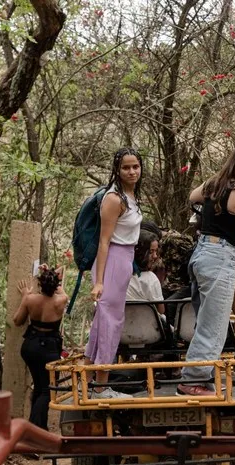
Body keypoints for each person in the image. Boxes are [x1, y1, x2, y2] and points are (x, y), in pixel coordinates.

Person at [180, 142, 235, 396]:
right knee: (214, 324)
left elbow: (192, 197)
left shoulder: (213, 184)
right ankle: (192, 381)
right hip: (220, 256)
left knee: (207, 320)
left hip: (201, 254)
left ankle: (199, 376)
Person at [84, 147, 143, 400]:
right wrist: (99, 281)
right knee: (110, 321)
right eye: (126, 167)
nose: (131, 171)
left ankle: (87, 382)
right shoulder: (114, 198)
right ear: (117, 171)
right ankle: (100, 387)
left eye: (135, 166)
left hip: (125, 257)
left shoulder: (130, 195)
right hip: (113, 258)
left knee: (105, 321)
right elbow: (104, 241)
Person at [13, 265, 68, 430]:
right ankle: (34, 431)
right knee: (47, 390)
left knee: (40, 386)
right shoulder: (61, 300)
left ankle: (38, 428)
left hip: (30, 346)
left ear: (40, 284)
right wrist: (52, 275)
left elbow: (17, 320)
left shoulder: (30, 299)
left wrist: (25, 296)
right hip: (49, 349)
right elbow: (61, 280)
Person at [127, 230, 165, 316]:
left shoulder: (116, 276)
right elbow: (161, 310)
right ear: (139, 252)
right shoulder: (151, 279)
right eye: (151, 252)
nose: (155, 256)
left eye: (156, 251)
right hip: (150, 326)